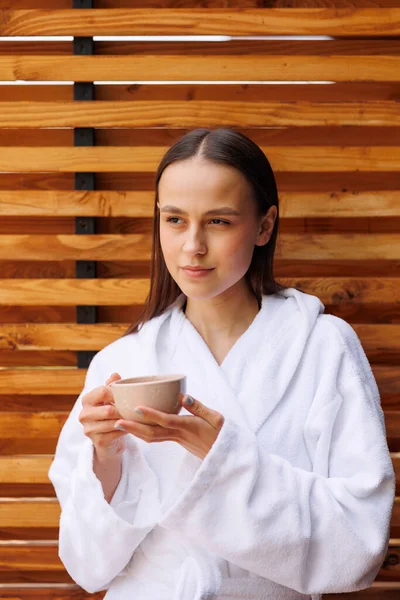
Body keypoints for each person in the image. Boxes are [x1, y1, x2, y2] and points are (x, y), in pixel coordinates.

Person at [48, 128, 395, 600]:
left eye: (218, 222)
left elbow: (358, 546)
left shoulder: (322, 348)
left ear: (264, 226)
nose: (192, 246)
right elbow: (87, 565)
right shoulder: (122, 362)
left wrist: (225, 459)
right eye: (174, 219)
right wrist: (105, 459)